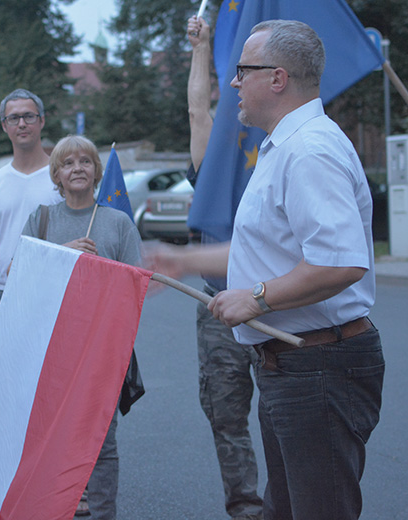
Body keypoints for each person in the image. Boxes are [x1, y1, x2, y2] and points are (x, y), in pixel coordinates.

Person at [145, 20, 384, 520]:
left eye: (241, 71)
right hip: (296, 367)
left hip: (318, 367)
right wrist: (184, 261)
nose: (233, 82)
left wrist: (256, 297)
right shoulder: (285, 147)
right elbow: (268, 251)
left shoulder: (310, 150)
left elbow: (341, 263)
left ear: (277, 79)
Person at [21, 135, 141, 520]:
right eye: (68, 163)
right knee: (52, 438)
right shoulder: (42, 218)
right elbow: (20, 279)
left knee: (101, 443)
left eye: (85, 162)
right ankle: (57, 508)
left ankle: (104, 513)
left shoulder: (118, 222)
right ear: (56, 174)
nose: (77, 168)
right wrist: (61, 256)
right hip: (51, 350)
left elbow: (136, 286)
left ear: (96, 172)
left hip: (101, 350)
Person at [186, 16, 263, 520]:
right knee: (227, 417)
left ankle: (290, 503)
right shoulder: (215, 166)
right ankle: (247, 508)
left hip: (274, 304)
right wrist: (202, 46)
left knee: (285, 417)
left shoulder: (277, 160)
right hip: (218, 307)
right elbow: (197, 107)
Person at [0, 88, 62, 305]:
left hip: (52, 287)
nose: (22, 124)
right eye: (14, 118)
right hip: (1, 292)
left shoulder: (62, 176)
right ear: (5, 126)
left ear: (42, 121)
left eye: (29, 116)